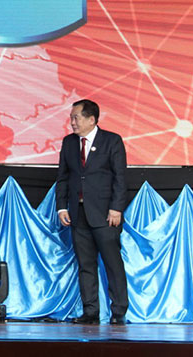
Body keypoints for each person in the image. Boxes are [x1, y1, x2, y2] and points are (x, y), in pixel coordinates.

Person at [55, 99, 128, 325]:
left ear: (91, 119)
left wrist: (116, 208)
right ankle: (90, 312)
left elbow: (120, 178)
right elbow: (63, 177)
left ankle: (118, 312)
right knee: (85, 266)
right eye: (71, 118)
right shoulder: (69, 143)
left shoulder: (112, 141)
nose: (72, 122)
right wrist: (61, 206)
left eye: (76, 118)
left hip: (105, 215)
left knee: (113, 264)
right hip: (78, 214)